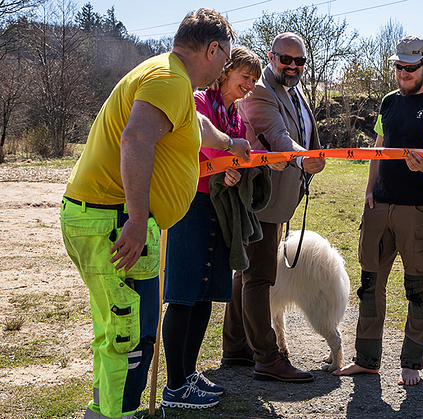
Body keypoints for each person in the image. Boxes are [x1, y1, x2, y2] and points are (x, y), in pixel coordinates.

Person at [59, 9, 247, 419]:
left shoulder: (171, 77)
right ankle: (116, 414)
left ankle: (108, 409)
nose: (224, 68)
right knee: (130, 337)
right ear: (212, 49)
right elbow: (136, 138)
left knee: (123, 329)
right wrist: (137, 220)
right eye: (225, 57)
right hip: (110, 219)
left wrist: (230, 141)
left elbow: (195, 122)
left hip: (112, 217)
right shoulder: (168, 79)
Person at [333, 35, 423, 386]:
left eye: (410, 67)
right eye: (398, 66)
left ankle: (412, 363)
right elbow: (378, 148)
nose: (403, 73)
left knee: (416, 288)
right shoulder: (389, 101)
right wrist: (369, 190)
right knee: (369, 285)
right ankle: (367, 360)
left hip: (416, 210)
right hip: (380, 206)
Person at [160, 47, 262, 409]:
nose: (249, 85)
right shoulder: (200, 101)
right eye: (244, 77)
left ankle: (188, 373)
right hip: (189, 205)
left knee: (205, 295)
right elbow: (200, 141)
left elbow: (237, 153)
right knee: (184, 294)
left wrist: (237, 170)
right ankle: (174, 386)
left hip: (218, 208)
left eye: (254, 80)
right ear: (225, 71)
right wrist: (225, 163)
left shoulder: (236, 116)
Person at [222, 32, 326, 382]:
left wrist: (311, 156)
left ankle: (236, 346)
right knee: (260, 276)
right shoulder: (261, 91)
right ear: (272, 57)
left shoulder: (292, 89)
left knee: (247, 271)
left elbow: (304, 132)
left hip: (279, 197)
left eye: (300, 62)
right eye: (286, 60)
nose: (293, 66)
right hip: (260, 198)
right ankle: (268, 356)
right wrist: (302, 159)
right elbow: (279, 137)